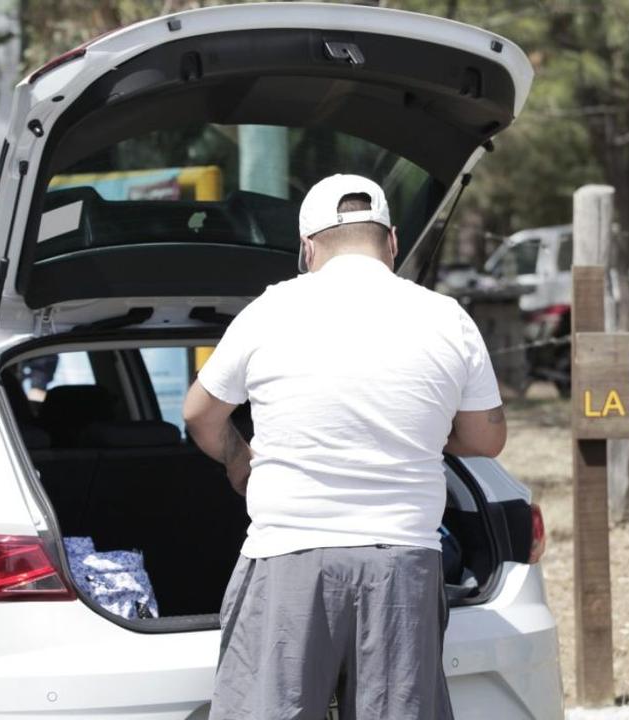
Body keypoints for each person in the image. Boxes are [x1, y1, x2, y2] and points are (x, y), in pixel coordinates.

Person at [182, 174, 506, 720]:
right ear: (392, 242)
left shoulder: (270, 311)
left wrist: (241, 459)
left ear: (307, 248)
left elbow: (198, 413)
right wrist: (421, 433)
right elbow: (486, 438)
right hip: (403, 561)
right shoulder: (447, 318)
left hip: (288, 556)